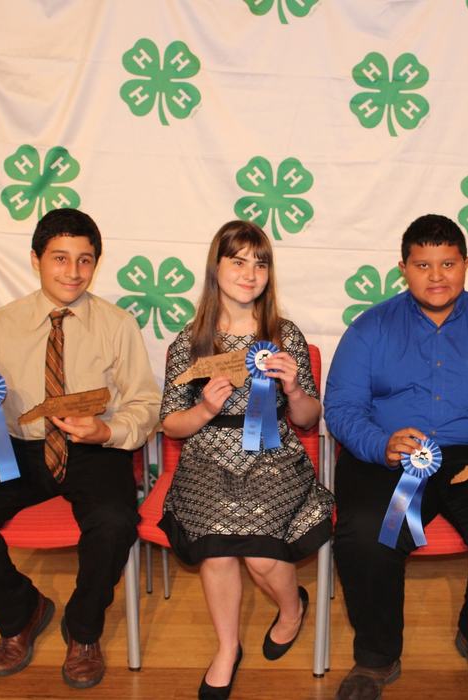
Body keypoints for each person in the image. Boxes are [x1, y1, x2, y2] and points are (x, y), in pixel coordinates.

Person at [0, 208, 160, 689]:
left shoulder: (117, 325)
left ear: (96, 264)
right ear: (36, 260)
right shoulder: (1, 324)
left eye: (85, 260)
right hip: (14, 450)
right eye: (60, 258)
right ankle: (21, 613)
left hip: (92, 449)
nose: (73, 272)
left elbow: (144, 403)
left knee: (115, 522)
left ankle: (84, 628)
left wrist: (106, 432)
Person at [325, 214, 468, 700]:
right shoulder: (369, 329)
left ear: (466, 264)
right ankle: (376, 657)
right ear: (403, 267)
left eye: (448, 263)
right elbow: (342, 409)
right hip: (389, 457)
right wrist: (379, 444)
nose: (436, 276)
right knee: (367, 533)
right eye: (423, 264)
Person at [158, 220, 333, 700]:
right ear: (216, 267)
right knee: (218, 543)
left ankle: (291, 608)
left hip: (274, 454)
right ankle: (228, 647)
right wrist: (206, 408)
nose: (250, 273)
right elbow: (170, 423)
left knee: (257, 550)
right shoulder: (189, 342)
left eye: (260, 262)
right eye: (238, 261)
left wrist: (295, 387)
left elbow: (308, 418)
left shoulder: (284, 335)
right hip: (207, 456)